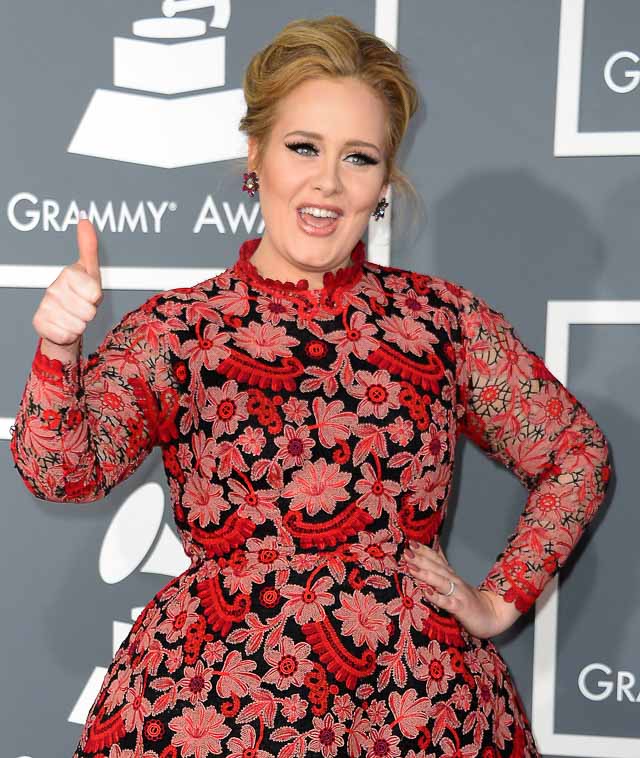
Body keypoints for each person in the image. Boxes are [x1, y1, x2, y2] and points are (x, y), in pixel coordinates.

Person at [10, 15, 611, 758]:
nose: (327, 182)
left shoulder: (439, 320)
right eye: (304, 148)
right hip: (213, 714)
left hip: (416, 714)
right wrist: (58, 348)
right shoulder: (181, 328)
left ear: (384, 180)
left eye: (358, 157)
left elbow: (576, 454)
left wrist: (499, 599)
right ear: (255, 154)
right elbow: (62, 471)